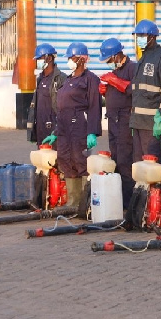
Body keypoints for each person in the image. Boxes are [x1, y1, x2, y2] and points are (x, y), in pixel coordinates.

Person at [42, 42, 102, 216]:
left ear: (82, 59)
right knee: (65, 160)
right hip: (64, 126)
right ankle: (72, 201)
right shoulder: (68, 80)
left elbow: (94, 107)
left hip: (79, 125)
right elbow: (61, 107)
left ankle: (84, 202)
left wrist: (92, 131)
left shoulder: (90, 79)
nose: (70, 61)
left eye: (73, 58)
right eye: (69, 58)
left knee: (80, 160)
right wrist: (55, 132)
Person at [129, 19, 161, 183]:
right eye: (138, 36)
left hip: (152, 124)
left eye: (142, 35)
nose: (139, 39)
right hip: (138, 123)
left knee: (155, 165)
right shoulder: (142, 58)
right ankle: (144, 201)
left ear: (152, 37)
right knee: (140, 165)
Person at [98, 38, 136, 210]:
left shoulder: (132, 68)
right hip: (113, 120)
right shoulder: (116, 71)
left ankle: (128, 204)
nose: (108, 64)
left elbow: (134, 90)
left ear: (116, 55)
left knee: (124, 161)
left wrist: (114, 82)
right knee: (115, 160)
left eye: (109, 60)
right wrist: (107, 91)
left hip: (125, 121)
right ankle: (118, 200)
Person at [27, 43, 67, 149]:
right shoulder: (40, 78)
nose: (37, 62)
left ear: (49, 58)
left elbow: (65, 108)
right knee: (41, 162)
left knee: (54, 162)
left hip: (54, 131)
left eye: (39, 59)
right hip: (40, 129)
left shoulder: (61, 79)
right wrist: (32, 131)